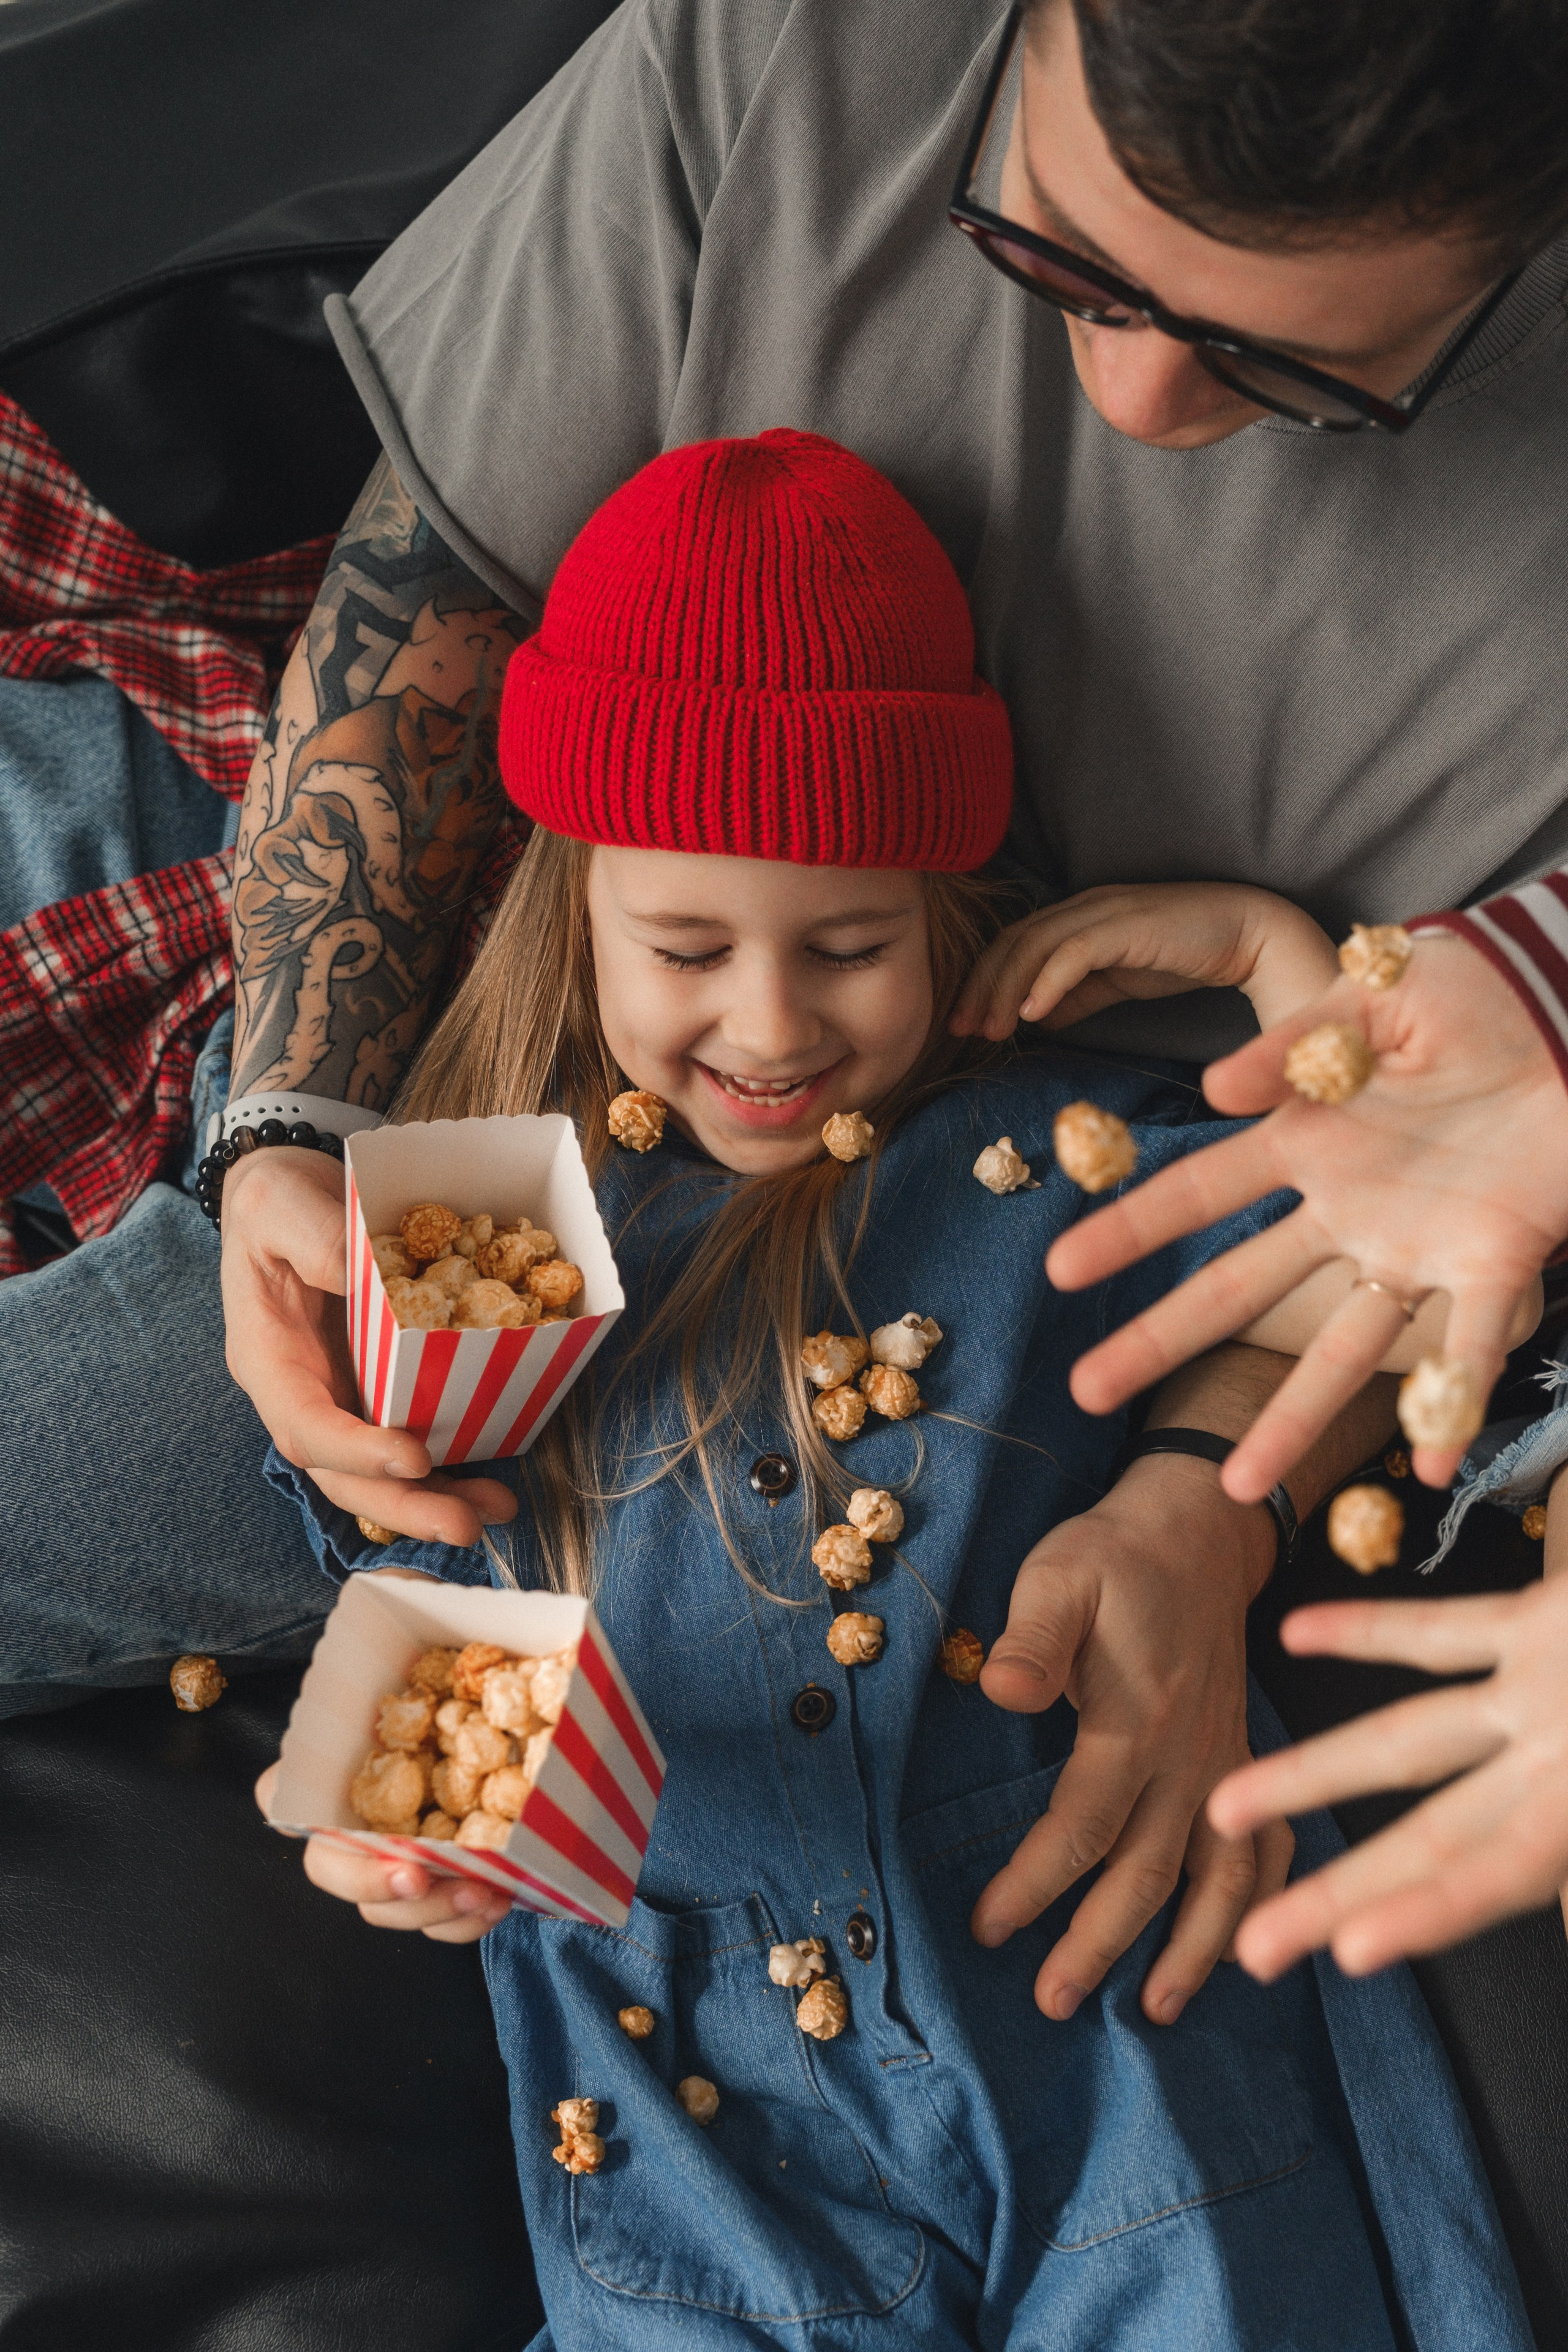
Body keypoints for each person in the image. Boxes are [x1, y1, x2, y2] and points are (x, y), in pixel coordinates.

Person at [5, 0, 1565, 2013]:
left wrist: (1211, 1505)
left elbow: (1435, 1218)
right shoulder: (806, 43)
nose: (1141, 400)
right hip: (520, 1064)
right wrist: (290, 1124)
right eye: (1055, 261)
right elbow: (422, 605)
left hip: (1016, 1303)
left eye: (1297, 372)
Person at [255, 430, 1529, 2350]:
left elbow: (1395, 1269)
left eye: (848, 944)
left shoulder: (1050, 1159)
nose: (769, 1026)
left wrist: (1277, 966)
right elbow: (400, 1633)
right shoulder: (467, 1246)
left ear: (944, 907)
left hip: (1110, 2039)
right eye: (687, 947)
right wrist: (386, 1830)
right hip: (688, 2119)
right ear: (570, 904)